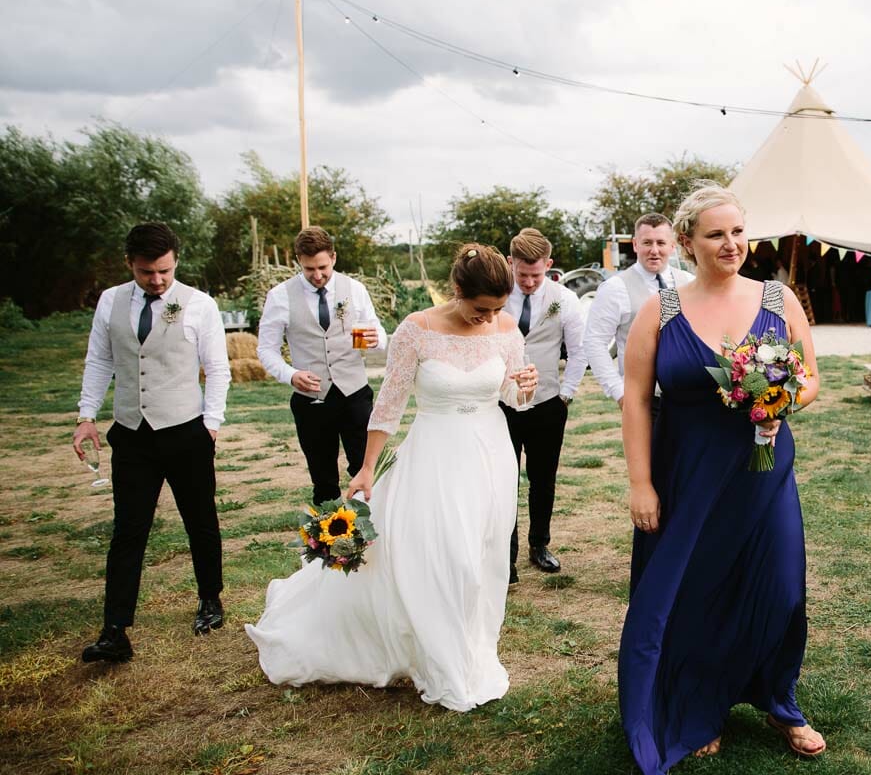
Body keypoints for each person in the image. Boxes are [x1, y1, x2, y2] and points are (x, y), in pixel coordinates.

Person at [245, 244, 539, 711]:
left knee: (483, 556)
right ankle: (441, 658)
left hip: (491, 455)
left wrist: (524, 388)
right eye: (481, 308)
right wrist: (366, 468)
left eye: (497, 309)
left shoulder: (505, 328)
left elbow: (510, 395)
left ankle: (472, 647)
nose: (488, 318)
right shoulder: (417, 329)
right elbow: (389, 403)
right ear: (457, 289)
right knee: (450, 556)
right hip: (436, 456)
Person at [618, 182, 825, 775]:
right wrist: (641, 484)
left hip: (762, 469)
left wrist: (782, 399)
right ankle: (698, 706)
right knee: (696, 591)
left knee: (780, 587)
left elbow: (812, 377)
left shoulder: (778, 299)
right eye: (716, 234)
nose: (731, 244)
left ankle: (779, 700)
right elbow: (636, 399)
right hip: (686, 472)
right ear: (688, 242)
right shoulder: (661, 311)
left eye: (738, 231)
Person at [73, 222, 230, 662]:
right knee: (128, 530)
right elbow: (99, 360)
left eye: (164, 271)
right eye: (146, 272)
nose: (157, 280)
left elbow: (217, 368)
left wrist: (210, 424)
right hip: (131, 435)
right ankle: (115, 630)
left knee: (200, 519)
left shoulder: (200, 305)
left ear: (175, 261)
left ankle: (210, 599)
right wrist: (86, 416)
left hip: (186, 430)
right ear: (130, 264)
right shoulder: (110, 301)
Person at [257, 227, 388, 506]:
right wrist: (291, 375)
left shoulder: (355, 289)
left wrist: (377, 339)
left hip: (355, 394)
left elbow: (378, 331)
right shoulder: (280, 296)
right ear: (298, 261)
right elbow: (266, 349)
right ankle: (330, 530)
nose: (317, 275)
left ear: (334, 258)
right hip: (311, 400)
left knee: (365, 469)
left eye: (322, 268)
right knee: (323, 477)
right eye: (309, 269)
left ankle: (370, 525)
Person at [502, 228, 585, 581]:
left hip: (548, 402)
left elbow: (579, 351)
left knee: (543, 479)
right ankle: (505, 556)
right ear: (510, 263)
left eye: (536, 275)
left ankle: (539, 544)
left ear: (548, 265)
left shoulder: (565, 299)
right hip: (501, 404)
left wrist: (566, 394)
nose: (529, 282)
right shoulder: (496, 292)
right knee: (503, 481)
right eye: (522, 274)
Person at [582, 213, 693, 407]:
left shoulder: (690, 282)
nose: (654, 250)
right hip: (643, 400)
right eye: (647, 243)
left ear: (672, 246)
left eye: (661, 243)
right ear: (635, 245)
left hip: (689, 396)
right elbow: (595, 342)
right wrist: (619, 392)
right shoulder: (615, 288)